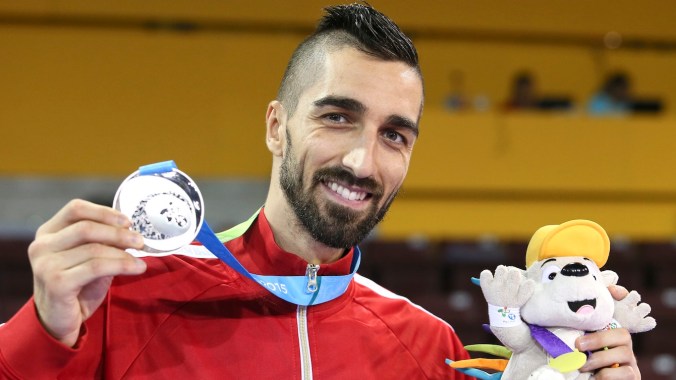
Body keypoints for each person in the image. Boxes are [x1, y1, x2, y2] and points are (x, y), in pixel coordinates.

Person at [0, 3, 643, 379]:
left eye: (395, 135)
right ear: (277, 126)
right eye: (338, 118)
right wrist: (44, 335)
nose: (364, 160)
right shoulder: (125, 303)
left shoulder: (429, 349)